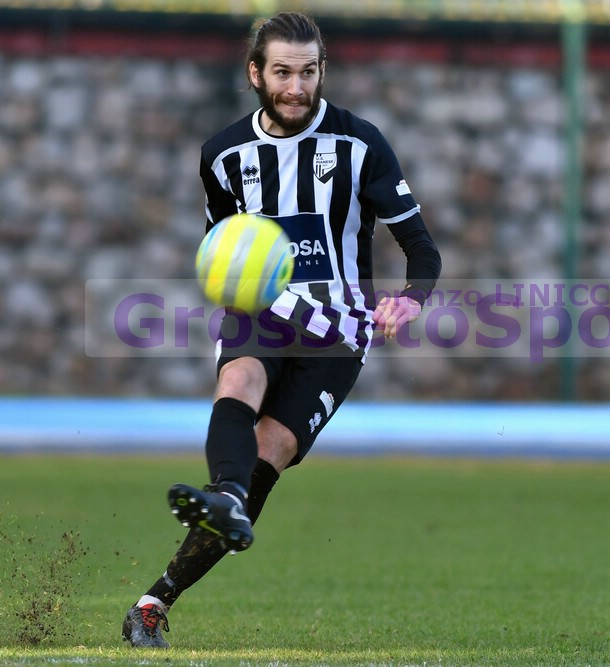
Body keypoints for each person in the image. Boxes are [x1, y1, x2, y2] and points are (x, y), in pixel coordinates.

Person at [122, 12, 441, 648]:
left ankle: (154, 600)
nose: (296, 87)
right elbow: (225, 242)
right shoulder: (223, 154)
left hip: (339, 331)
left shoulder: (361, 144)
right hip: (260, 311)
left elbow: (422, 250)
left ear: (322, 71)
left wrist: (410, 301)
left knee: (271, 449)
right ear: (255, 74)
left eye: (308, 72)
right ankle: (226, 496)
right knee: (238, 381)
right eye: (283, 73)